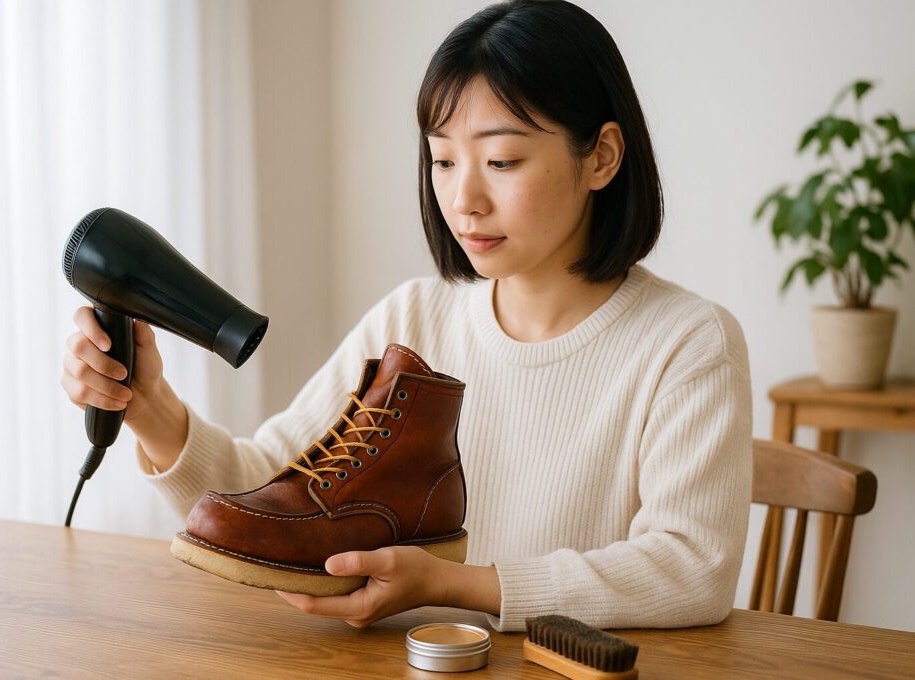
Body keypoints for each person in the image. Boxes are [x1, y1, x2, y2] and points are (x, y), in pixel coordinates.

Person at [61, 0, 752, 633]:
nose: (464, 199)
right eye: (443, 161)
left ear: (601, 156)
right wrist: (148, 404)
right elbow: (262, 498)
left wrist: (457, 586)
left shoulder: (687, 342)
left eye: (502, 160)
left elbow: (691, 570)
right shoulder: (416, 318)